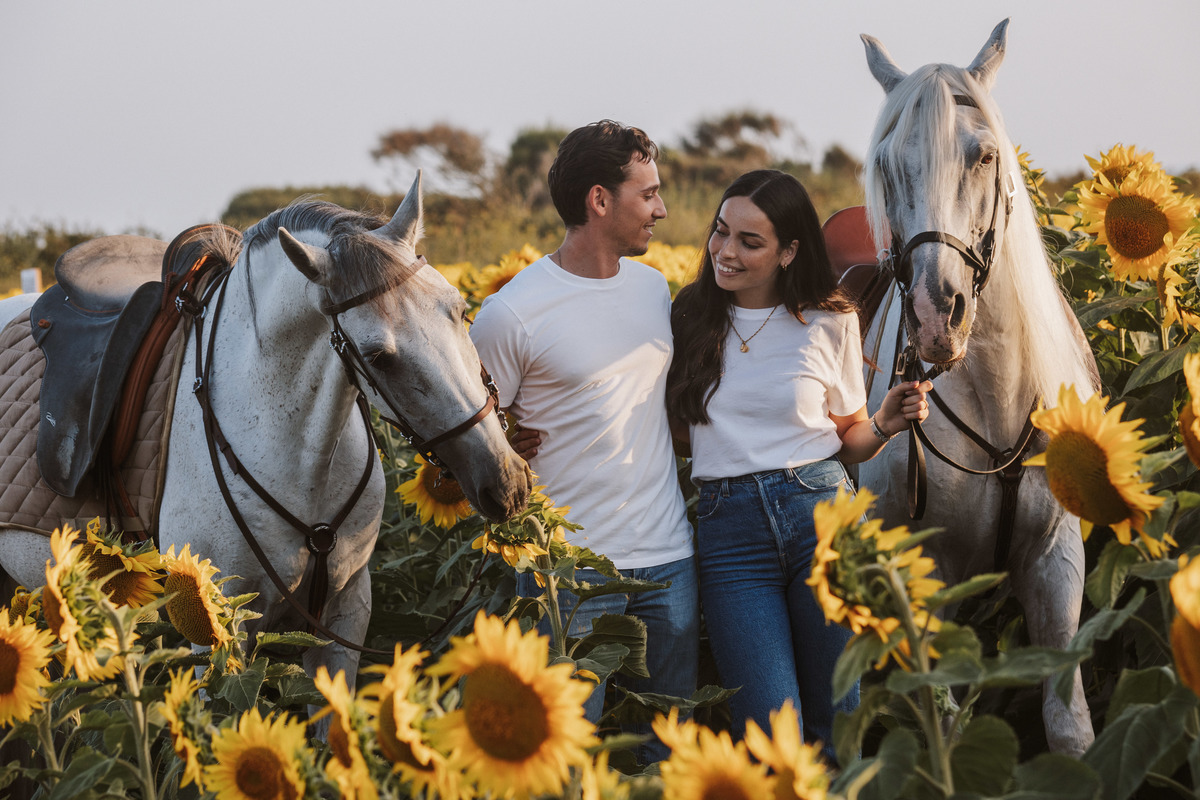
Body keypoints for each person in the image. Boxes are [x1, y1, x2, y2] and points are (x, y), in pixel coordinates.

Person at [665, 169, 930, 758]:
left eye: (749, 242)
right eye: (720, 232)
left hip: (822, 519)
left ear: (788, 252)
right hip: (730, 534)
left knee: (838, 727)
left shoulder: (832, 322)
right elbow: (672, 431)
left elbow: (846, 438)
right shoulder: (688, 317)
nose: (725, 252)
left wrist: (885, 423)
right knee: (768, 738)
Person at [468, 120, 697, 765]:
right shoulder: (512, 314)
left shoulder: (654, 289)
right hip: (564, 572)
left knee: (668, 757)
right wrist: (508, 436)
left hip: (667, 560)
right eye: (647, 194)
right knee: (564, 762)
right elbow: (470, 435)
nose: (661, 208)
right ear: (601, 201)